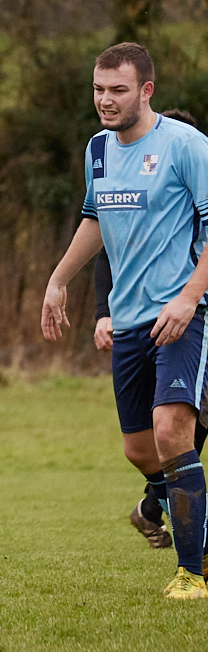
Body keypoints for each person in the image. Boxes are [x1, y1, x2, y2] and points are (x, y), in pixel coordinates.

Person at [42, 42, 208, 600]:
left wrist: (189, 298)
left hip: (182, 315)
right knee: (139, 450)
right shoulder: (98, 149)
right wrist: (59, 280)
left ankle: (192, 572)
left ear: (146, 90)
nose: (105, 100)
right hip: (131, 319)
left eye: (118, 90)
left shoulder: (186, 146)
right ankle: (194, 526)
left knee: (172, 430)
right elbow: (95, 220)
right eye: (99, 89)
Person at [92, 109, 208, 551]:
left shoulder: (193, 178)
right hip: (167, 318)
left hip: (191, 316)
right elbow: (109, 247)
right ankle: (176, 520)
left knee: (175, 428)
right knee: (163, 435)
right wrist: (103, 312)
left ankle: (164, 517)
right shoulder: (134, 183)